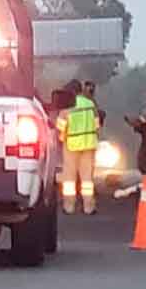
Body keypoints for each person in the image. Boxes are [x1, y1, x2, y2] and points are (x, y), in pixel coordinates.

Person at [55, 79, 100, 215]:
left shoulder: (67, 106)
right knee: (87, 179)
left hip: (71, 146)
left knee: (69, 178)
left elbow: (60, 128)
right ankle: (89, 207)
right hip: (89, 145)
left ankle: (69, 207)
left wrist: (61, 140)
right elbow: (97, 125)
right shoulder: (90, 104)